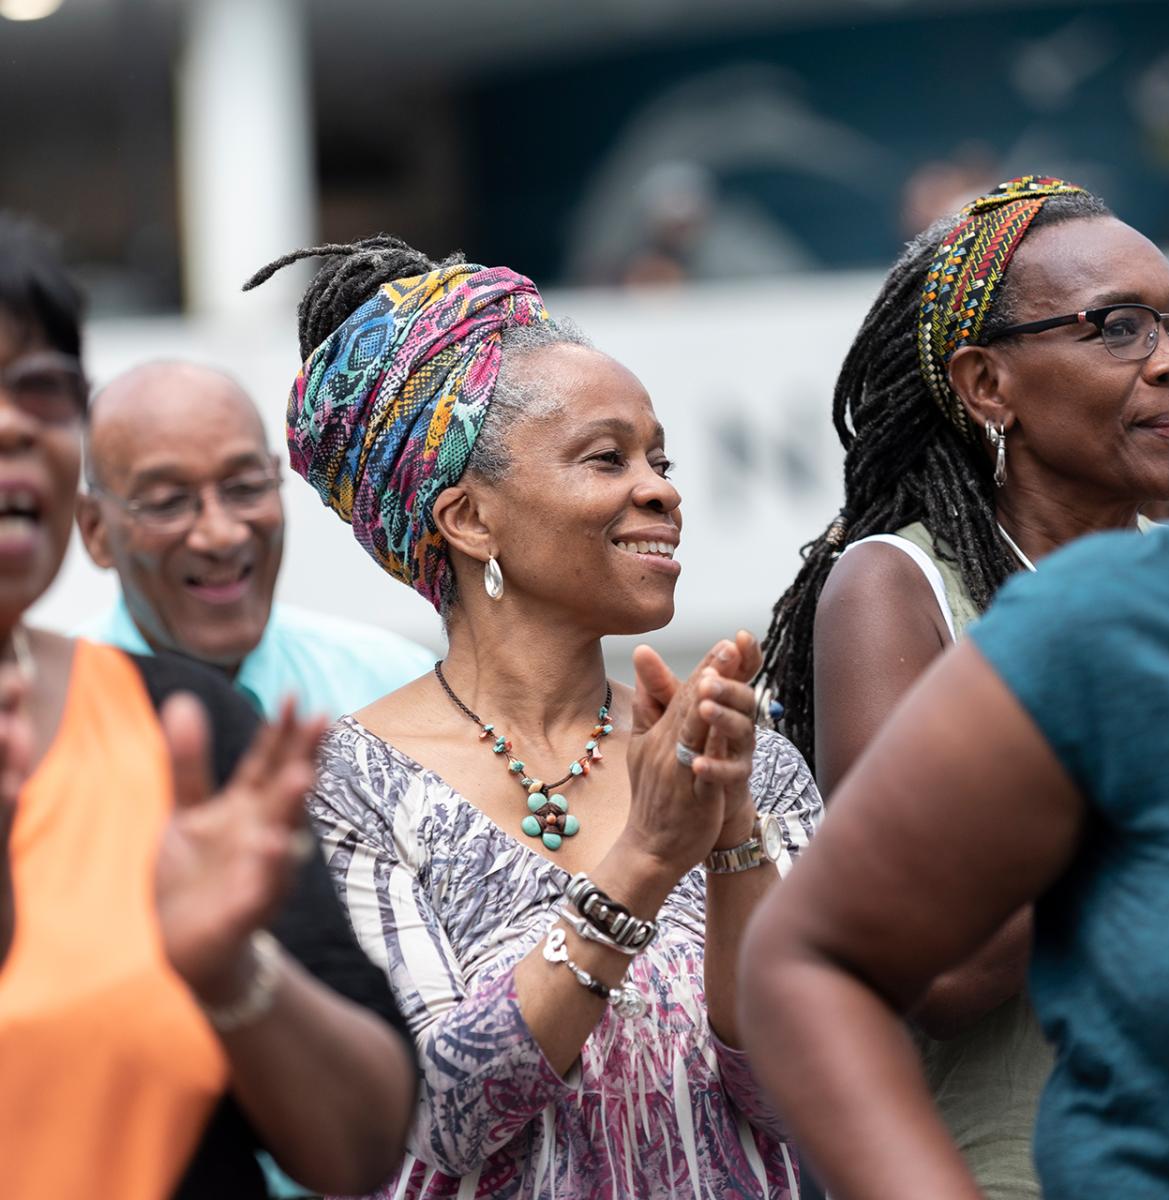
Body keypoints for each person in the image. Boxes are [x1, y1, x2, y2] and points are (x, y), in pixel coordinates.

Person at [243, 236, 823, 1199]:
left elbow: (801, 1093)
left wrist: (730, 847)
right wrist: (642, 861)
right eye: (608, 458)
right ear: (468, 520)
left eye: (660, 459)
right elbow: (440, 1115)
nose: (663, 489)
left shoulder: (739, 760)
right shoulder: (350, 791)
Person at [739, 239, 1169, 1199]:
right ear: (989, 385)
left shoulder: (1160, 589)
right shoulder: (897, 585)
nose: (1166, 358)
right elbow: (928, 973)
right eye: (1118, 327)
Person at [0, 213, 417, 1199]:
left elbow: (362, 1150)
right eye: (169, 499)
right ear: (103, 531)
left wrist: (231, 975)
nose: (15, 421)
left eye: (42, 388)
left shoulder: (180, 732)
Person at [76, 360, 435, 719]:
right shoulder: (46, 721)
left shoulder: (395, 691)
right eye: (167, 502)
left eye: (246, 487)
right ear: (97, 530)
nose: (222, 536)